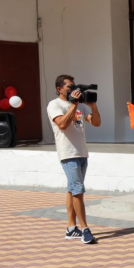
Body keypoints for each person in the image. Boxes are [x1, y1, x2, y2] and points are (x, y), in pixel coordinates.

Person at [47, 74, 101, 244]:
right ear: (59, 89)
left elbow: (96, 123)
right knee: (78, 191)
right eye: (69, 87)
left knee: (72, 190)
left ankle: (71, 228)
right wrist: (73, 105)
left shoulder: (81, 105)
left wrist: (93, 107)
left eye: (74, 86)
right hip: (68, 153)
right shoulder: (55, 105)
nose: (73, 89)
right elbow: (62, 124)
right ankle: (85, 229)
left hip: (82, 153)